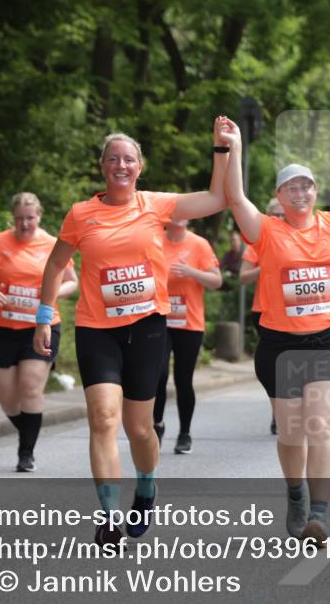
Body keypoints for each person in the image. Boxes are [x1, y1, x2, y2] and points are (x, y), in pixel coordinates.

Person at [33, 121, 231, 546]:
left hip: (146, 327)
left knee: (140, 428)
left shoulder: (155, 205)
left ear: (139, 167)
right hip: (96, 328)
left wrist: (220, 149)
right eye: (113, 159)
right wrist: (44, 316)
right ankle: (108, 518)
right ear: (102, 167)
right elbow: (54, 265)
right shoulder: (80, 214)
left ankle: (146, 485)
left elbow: (217, 199)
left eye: (128, 159)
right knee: (103, 419)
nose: (120, 165)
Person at [220, 116, 330, 545]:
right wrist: (234, 145)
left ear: (315, 192)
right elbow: (235, 196)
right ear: (278, 196)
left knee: (321, 427)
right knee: (292, 432)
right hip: (279, 343)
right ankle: (295, 494)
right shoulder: (267, 231)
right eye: (291, 186)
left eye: (306, 185)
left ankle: (319, 513)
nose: (300, 191)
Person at [0, 192, 78, 473]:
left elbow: (71, 282)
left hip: (41, 325)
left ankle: (26, 452)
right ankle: (27, 430)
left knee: (30, 387)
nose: (25, 224)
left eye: (30, 218)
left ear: (39, 216)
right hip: (2, 328)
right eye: (19, 219)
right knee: (7, 398)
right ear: (12, 218)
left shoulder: (53, 244)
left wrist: (52, 295)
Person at [151, 217, 221, 454]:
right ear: (166, 219)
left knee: (183, 379)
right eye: (173, 214)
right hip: (160, 319)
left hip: (189, 323)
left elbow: (216, 280)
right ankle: (157, 424)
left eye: (182, 213)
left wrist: (191, 272)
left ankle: (184, 433)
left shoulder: (199, 244)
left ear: (188, 219)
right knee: (158, 375)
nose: (177, 218)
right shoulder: (154, 241)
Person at [239, 198, 285, 436]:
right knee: (276, 367)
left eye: (282, 213)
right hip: (264, 310)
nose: (278, 217)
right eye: (274, 214)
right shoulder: (258, 241)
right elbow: (243, 277)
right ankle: (278, 412)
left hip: (294, 312)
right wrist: (266, 264)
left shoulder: (295, 236)